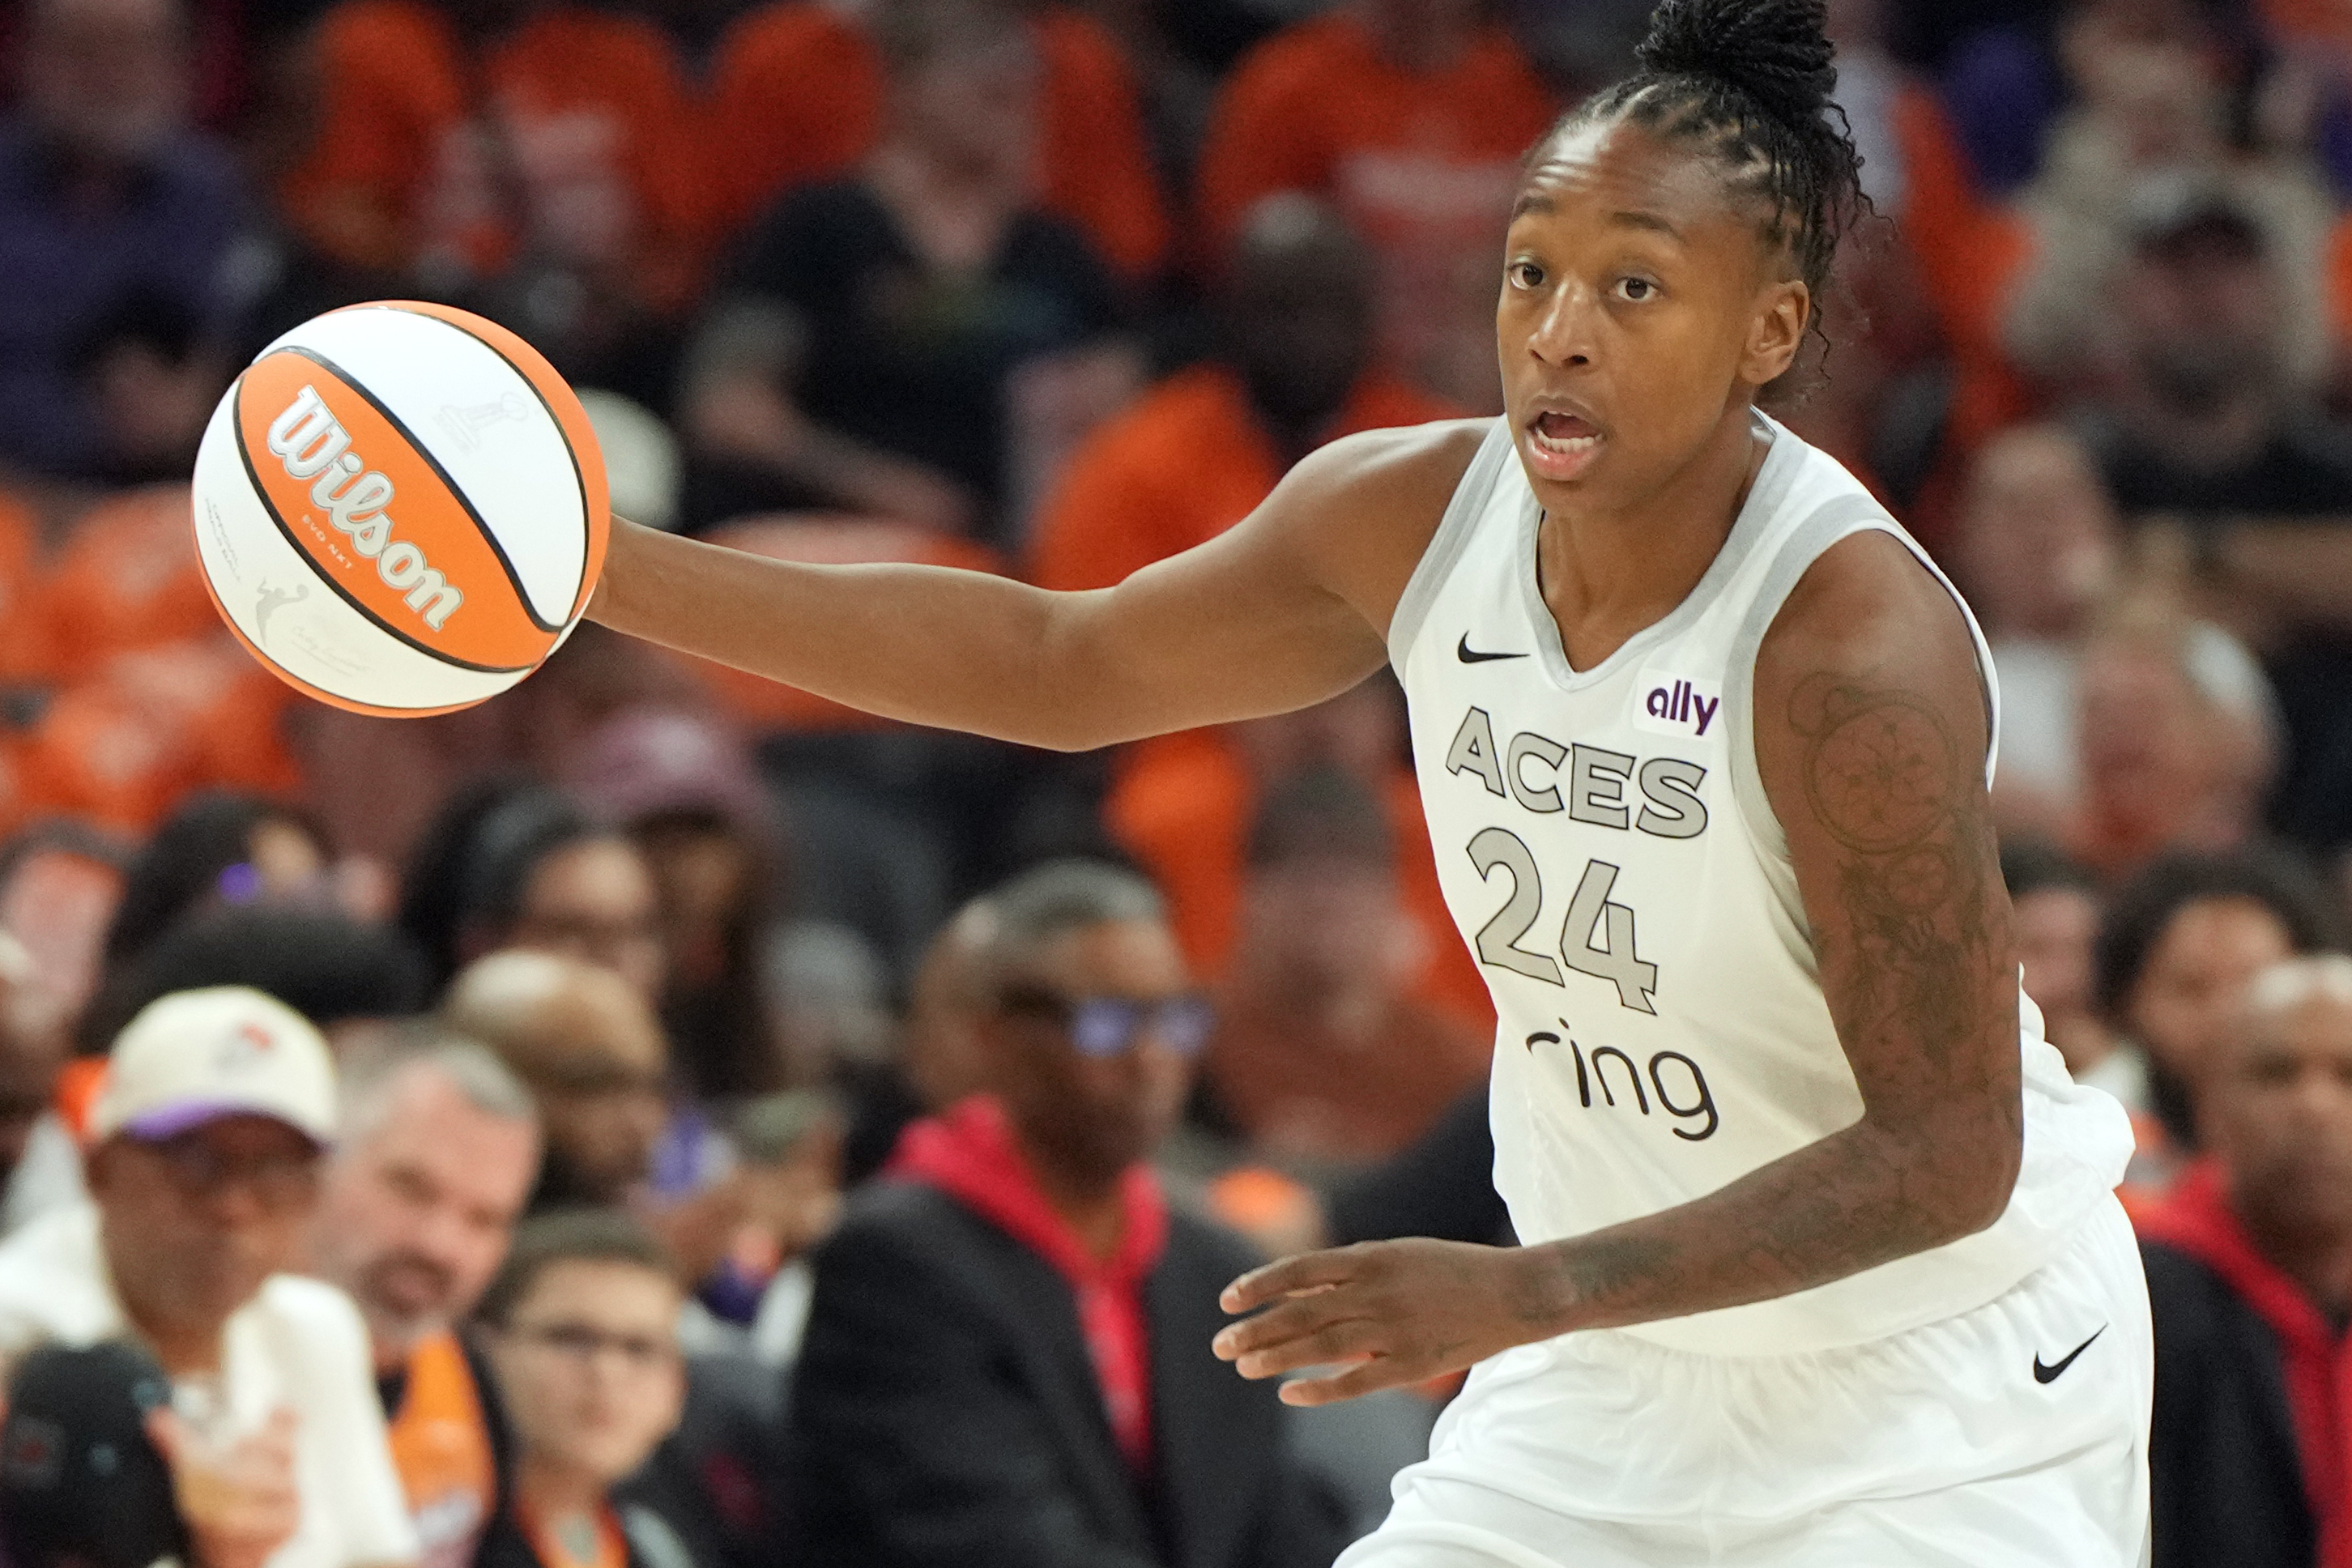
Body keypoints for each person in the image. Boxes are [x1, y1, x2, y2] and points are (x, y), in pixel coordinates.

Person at [586, 0, 2150, 1559]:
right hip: (1627, 1359)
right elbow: (1055, 668)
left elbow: (1946, 1152)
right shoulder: (1405, 513)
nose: (1558, 328)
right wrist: (594, 567)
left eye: (1633, 287)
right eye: (1530, 267)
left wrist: (1516, 1290)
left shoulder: (1842, 648)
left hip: (1942, 1381)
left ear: (1770, 332)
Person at [789, 859, 1352, 1566]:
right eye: (1109, 1021)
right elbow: (990, 1543)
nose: (1151, 1058)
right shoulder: (893, 1264)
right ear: (998, 1036)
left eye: (1175, 1018)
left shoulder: (1213, 1263)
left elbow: (1270, 1523)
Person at [680, 0, 1131, 545]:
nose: (1014, 108)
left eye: (1022, 92)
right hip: (826, 538)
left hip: (1003, 559)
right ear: (907, 84)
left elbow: (1119, 392)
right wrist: (881, 486)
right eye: (988, 90)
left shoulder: (1059, 251)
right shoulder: (818, 226)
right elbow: (727, 409)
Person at [0, 986, 418, 1568]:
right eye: (195, 1162)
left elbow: (382, 1557)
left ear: (314, 1196)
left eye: (273, 1170)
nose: (234, 1207)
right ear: (99, 1170)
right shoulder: (19, 1337)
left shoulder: (315, 1328)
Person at [1028, 194, 1455, 595]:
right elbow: (1094, 646)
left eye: (1332, 309)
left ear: (1368, 319)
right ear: (1229, 317)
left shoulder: (1439, 458)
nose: (1309, 337)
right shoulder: (1136, 466)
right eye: (1282, 310)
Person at [1194, 0, 1557, 409]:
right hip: (1337, 394)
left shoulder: (1521, 88)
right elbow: (1238, 263)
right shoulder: (1288, 84)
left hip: (1487, 376)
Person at [2135, 954, 2352, 1568]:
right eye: (2276, 1074)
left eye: (2348, 1075)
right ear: (2209, 1104)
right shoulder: (2136, 1302)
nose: (2315, 1105)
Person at [309, 1034, 543, 1568]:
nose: (439, 1245)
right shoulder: (209, 1352)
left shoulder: (475, 1384)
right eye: (410, 1189)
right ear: (322, 1158)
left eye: (484, 1219)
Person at [0, 0, 255, 479]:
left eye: (134, 50)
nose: (108, 75)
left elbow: (239, 338)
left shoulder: (212, 193)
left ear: (182, 63)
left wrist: (194, 403)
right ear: (27, 56)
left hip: (170, 501)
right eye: (81, 50)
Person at [1197, 766, 1491, 1169]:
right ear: (1247, 896)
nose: (1325, 899)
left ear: (1395, 899)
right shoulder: (1190, 1046)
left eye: (1351, 871)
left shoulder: (1461, 1068)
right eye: (1296, 868)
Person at [470, 1210, 694, 1568]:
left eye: (640, 1349)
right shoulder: (434, 1531)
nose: (606, 1373)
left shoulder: (658, 1548)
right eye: (572, 1339)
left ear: (678, 1387)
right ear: (487, 1350)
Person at [2094, 850, 2345, 1165]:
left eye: (2256, 982)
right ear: (2128, 1005)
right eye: (2191, 988)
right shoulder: (2089, 1141)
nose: (2226, 1014)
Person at [398, 785, 664, 996]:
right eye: (571, 933)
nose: (614, 966)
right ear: (479, 944)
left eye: (636, 932)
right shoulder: (420, 1063)